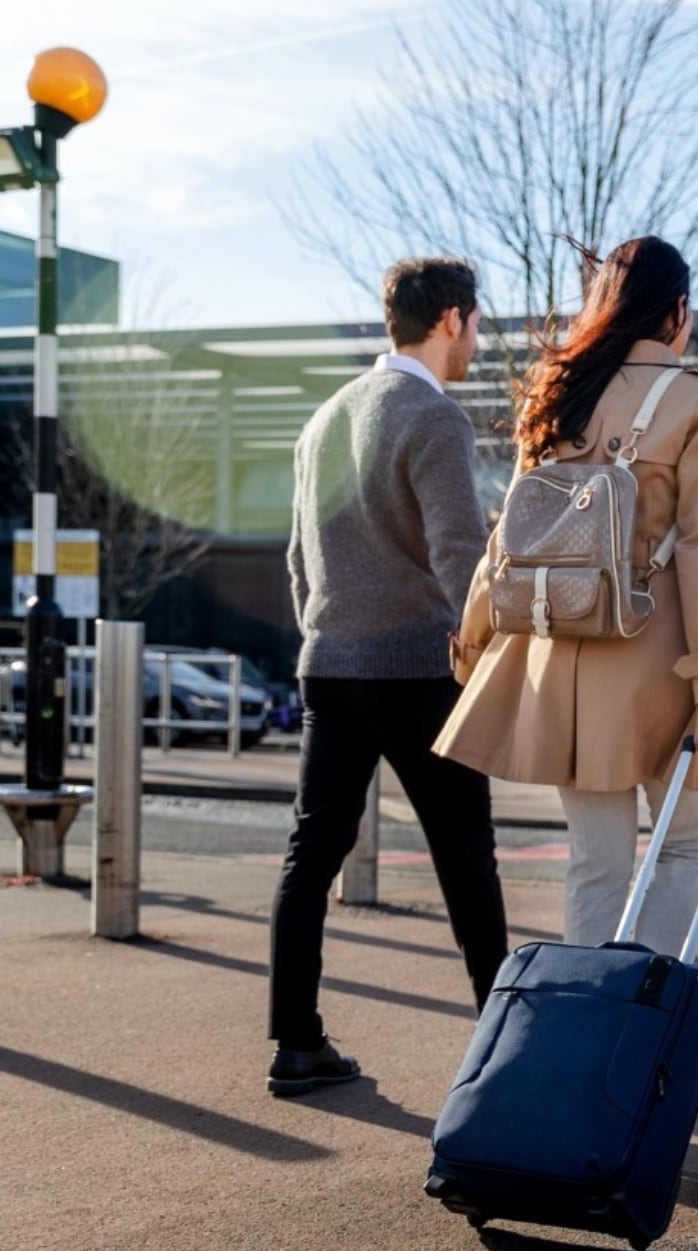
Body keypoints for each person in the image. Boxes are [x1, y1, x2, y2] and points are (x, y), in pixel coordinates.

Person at [434, 235, 698, 957]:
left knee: (596, 863)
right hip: (664, 657)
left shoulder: (556, 390)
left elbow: (507, 537)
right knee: (689, 844)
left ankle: (583, 1029)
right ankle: (642, 1020)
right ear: (678, 312)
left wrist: (473, 641)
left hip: (562, 656)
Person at [266, 257, 509, 1097]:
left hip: (329, 666)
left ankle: (296, 1042)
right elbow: (459, 554)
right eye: (477, 323)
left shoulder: (323, 421)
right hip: (419, 670)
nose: (479, 338)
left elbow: (299, 559)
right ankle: (506, 1056)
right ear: (450, 319)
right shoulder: (433, 418)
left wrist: (326, 636)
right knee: (465, 862)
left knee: (311, 854)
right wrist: (485, 650)